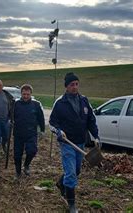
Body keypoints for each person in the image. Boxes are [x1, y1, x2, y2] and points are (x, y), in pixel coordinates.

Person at [49, 72, 100, 213]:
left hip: (80, 143)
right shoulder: (60, 103)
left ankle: (61, 183)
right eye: (72, 84)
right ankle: (71, 205)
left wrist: (96, 136)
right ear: (66, 86)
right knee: (71, 173)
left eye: (77, 84)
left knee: (76, 170)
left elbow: (91, 120)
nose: (75, 87)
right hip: (67, 143)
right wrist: (59, 131)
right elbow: (52, 123)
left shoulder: (84, 101)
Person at [13, 84, 45, 180]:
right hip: (18, 134)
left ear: (31, 94)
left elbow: (41, 118)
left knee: (32, 151)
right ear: (21, 94)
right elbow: (10, 116)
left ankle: (26, 165)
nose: (26, 96)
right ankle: (18, 172)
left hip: (31, 133)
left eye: (27, 94)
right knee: (17, 155)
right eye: (24, 94)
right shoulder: (16, 104)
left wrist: (42, 130)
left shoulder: (36, 105)